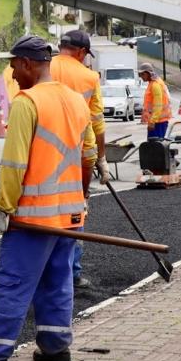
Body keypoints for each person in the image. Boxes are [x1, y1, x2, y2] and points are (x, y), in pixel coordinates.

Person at [0, 34, 95, 361]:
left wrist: (2, 208)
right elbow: (89, 155)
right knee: (58, 281)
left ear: (29, 64)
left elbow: (15, 166)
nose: (13, 73)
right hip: (69, 216)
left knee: (12, 283)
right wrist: (81, 197)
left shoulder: (27, 103)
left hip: (32, 218)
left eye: (15, 65)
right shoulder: (76, 101)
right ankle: (56, 348)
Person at [51, 29, 110, 290]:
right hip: (74, 158)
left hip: (43, 153)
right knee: (76, 214)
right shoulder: (89, 77)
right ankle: (72, 274)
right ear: (82, 52)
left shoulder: (44, 66)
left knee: (42, 216)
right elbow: (96, 122)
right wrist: (102, 159)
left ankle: (43, 272)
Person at [138, 63, 171, 139]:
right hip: (158, 121)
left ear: (148, 73)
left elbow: (158, 105)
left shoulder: (155, 85)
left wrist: (152, 121)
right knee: (155, 146)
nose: (141, 77)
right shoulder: (154, 82)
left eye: (142, 75)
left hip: (158, 122)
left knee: (155, 146)